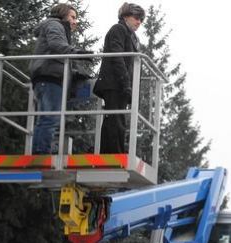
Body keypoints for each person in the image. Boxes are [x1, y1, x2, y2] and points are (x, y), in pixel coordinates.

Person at [29, 3, 92, 154]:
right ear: (63, 14)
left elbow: (57, 51)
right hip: (49, 76)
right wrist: (77, 52)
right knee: (50, 118)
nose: (75, 21)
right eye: (73, 17)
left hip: (49, 75)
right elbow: (56, 45)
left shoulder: (55, 26)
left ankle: (39, 152)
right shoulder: (55, 25)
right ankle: (41, 154)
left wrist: (74, 73)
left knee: (46, 118)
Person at [96, 3, 145, 153]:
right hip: (114, 83)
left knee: (116, 118)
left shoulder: (130, 36)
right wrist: (126, 83)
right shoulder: (118, 29)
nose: (139, 22)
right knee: (115, 119)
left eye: (141, 20)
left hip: (120, 84)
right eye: (136, 18)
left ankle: (111, 152)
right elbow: (117, 57)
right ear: (125, 16)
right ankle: (114, 153)